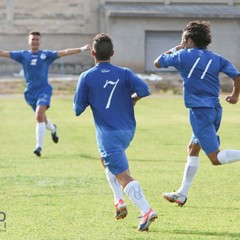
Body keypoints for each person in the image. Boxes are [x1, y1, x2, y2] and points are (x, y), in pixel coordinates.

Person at [74, 33, 158, 231]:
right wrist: (133, 99)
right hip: (128, 130)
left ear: (92, 53)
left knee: (123, 175)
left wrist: (93, 98)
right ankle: (119, 201)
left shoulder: (86, 77)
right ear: (113, 53)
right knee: (105, 160)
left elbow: (77, 110)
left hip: (108, 132)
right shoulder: (125, 72)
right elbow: (145, 90)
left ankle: (146, 211)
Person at [154, 20, 240, 206]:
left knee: (215, 158)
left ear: (189, 39)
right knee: (193, 149)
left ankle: (181, 194)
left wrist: (176, 48)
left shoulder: (182, 55)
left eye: (183, 38)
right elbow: (237, 76)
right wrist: (234, 96)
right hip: (215, 110)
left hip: (199, 113)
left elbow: (158, 62)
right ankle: (181, 194)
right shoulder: (216, 58)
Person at [0, 31, 91, 157]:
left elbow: (64, 52)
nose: (35, 41)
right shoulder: (22, 55)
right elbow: (4, 53)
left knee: (39, 114)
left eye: (37, 39)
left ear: (40, 41)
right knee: (42, 118)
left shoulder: (46, 55)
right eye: (33, 39)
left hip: (44, 90)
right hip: (30, 93)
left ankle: (39, 147)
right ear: (29, 41)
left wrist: (82, 49)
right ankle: (53, 129)